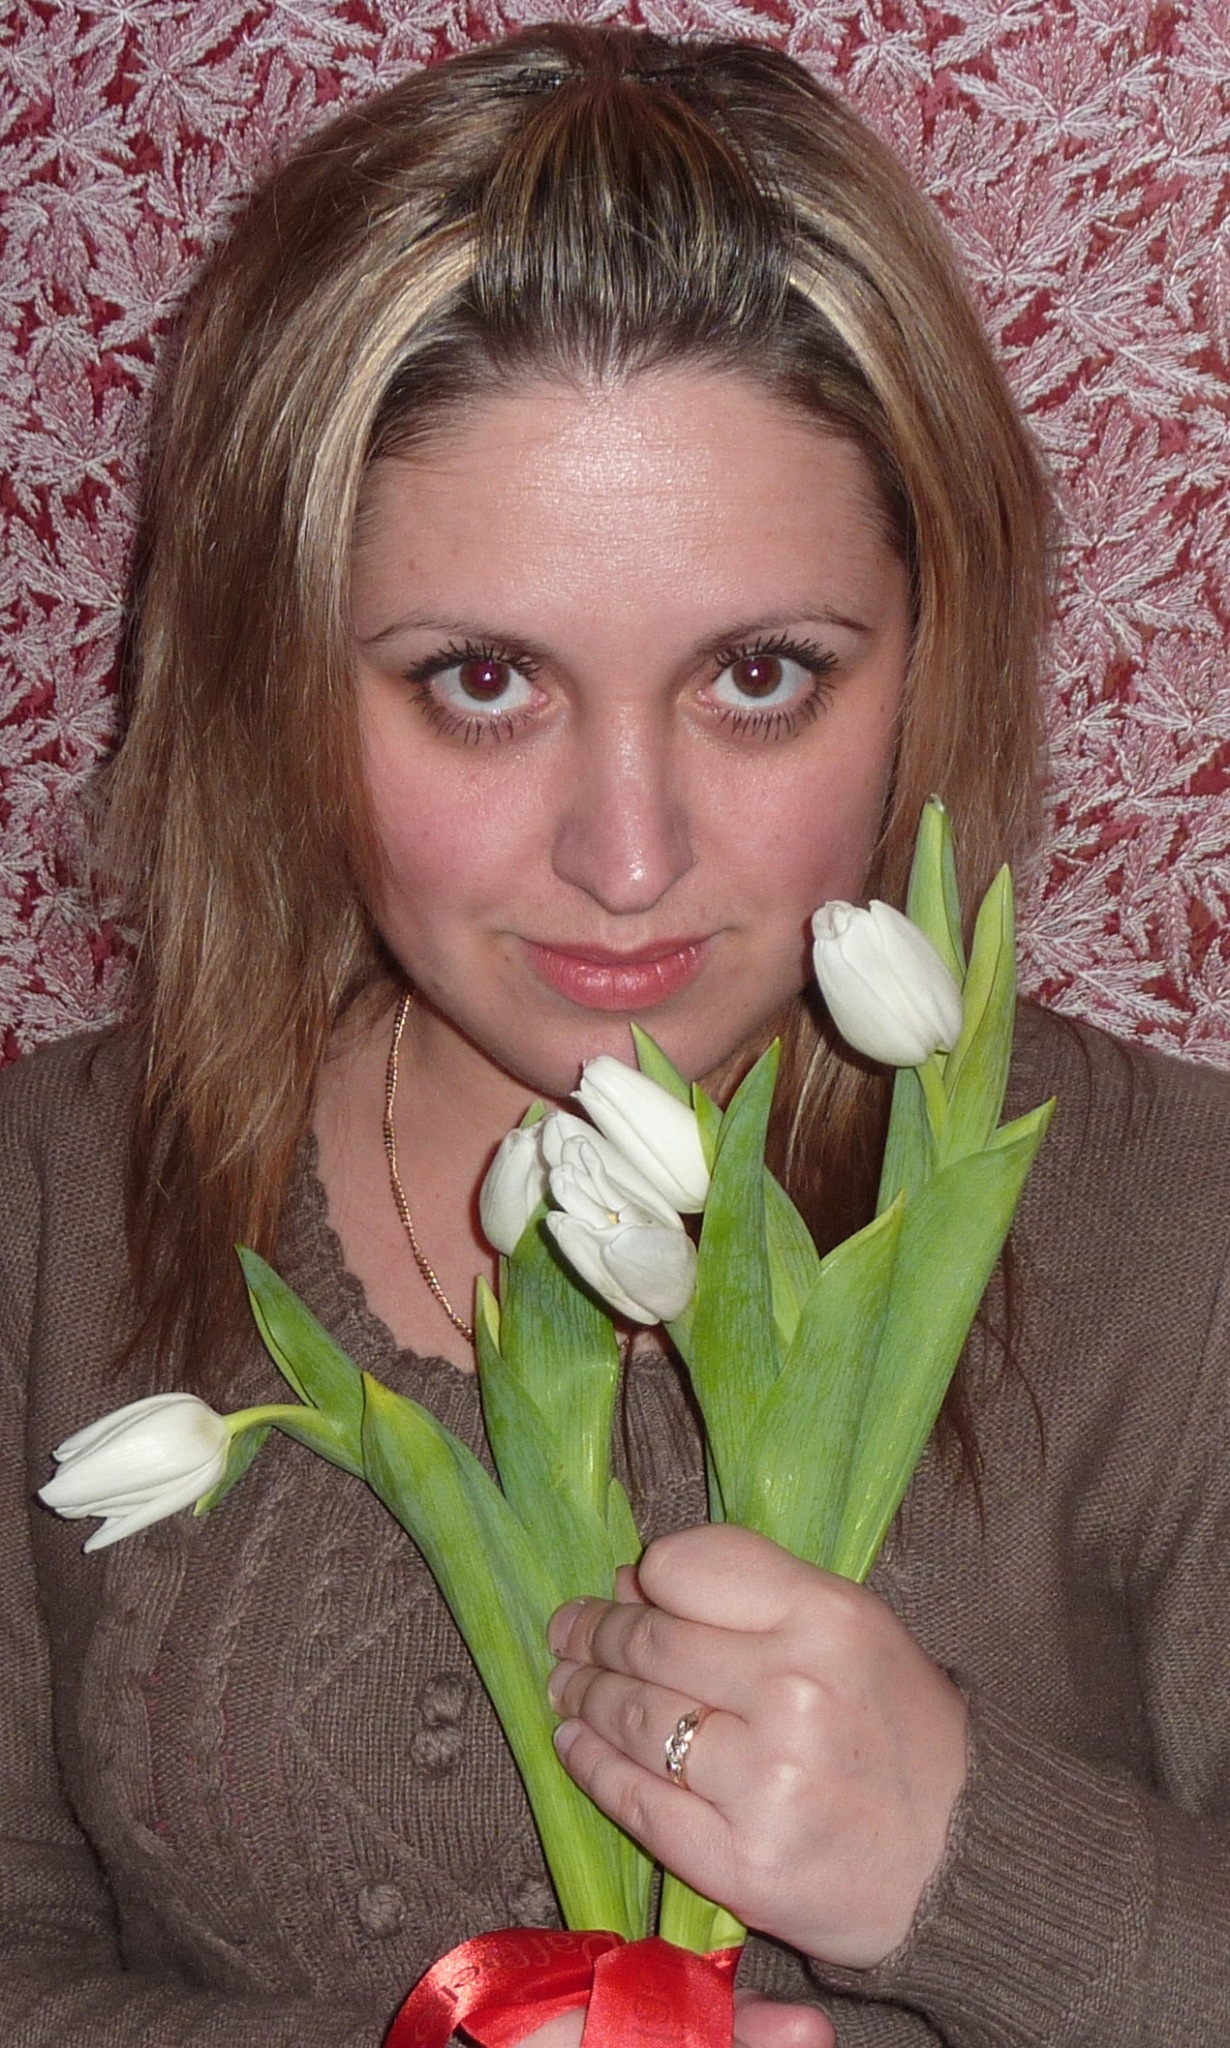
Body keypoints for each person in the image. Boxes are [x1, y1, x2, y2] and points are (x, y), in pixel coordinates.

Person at [2, 21, 1228, 2047]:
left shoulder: (1178, 1237)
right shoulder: (52, 1211)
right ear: (277, 670)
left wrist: (978, 1861)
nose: (630, 858)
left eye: (761, 674)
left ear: (926, 651)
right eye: (482, 681)